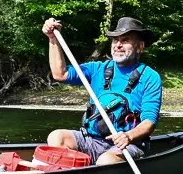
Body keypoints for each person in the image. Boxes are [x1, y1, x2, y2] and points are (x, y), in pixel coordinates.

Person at [40, 16, 162, 165]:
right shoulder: (98, 69)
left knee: (105, 161)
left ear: (140, 47)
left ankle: (94, 173)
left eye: (125, 40)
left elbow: (149, 122)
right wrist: (53, 38)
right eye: (115, 40)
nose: (118, 45)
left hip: (128, 145)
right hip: (92, 139)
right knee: (56, 137)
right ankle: (73, 171)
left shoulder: (150, 77)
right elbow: (60, 74)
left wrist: (128, 136)